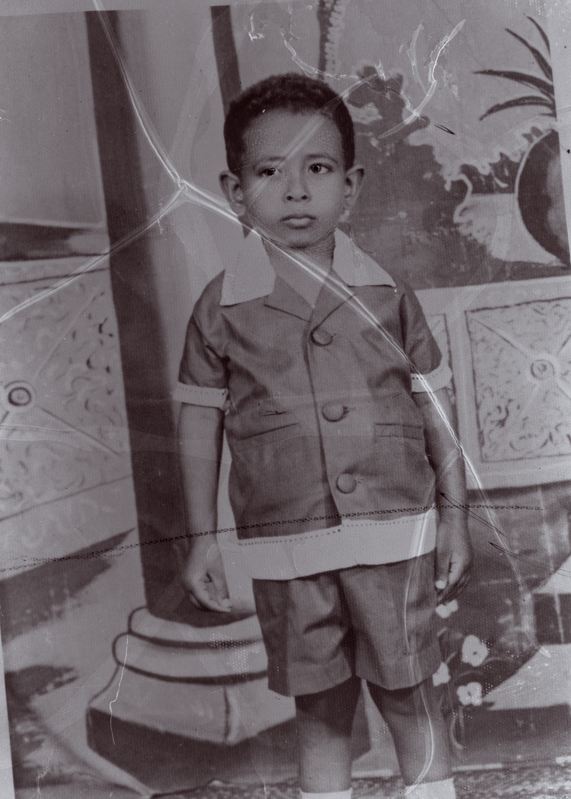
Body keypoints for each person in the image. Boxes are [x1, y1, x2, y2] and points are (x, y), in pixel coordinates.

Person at [175, 73, 472, 799]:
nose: (296, 191)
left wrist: (456, 516)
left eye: (317, 168)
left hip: (393, 534)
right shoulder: (220, 309)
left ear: (351, 185)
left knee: (409, 694)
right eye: (269, 172)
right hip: (289, 544)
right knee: (320, 709)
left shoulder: (387, 295)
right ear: (234, 190)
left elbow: (435, 408)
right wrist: (201, 538)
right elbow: (199, 421)